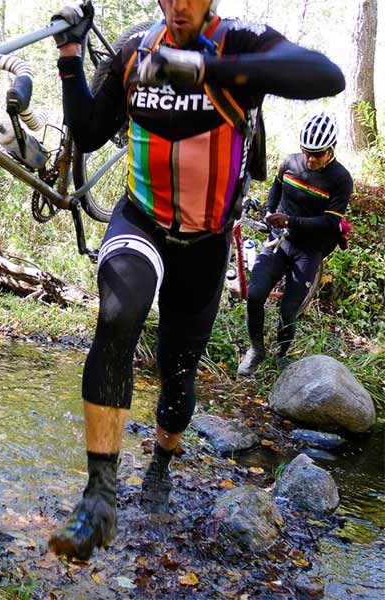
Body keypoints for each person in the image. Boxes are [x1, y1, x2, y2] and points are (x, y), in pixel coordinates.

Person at [47, 0, 345, 561]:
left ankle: (165, 449)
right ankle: (100, 495)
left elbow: (326, 76)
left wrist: (208, 71)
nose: (180, 3)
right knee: (117, 316)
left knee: (176, 381)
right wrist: (69, 57)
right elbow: (87, 132)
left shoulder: (241, 42)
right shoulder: (137, 52)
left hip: (205, 244)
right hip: (140, 218)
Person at [237, 112, 353, 375]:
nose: (310, 159)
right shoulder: (290, 163)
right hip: (279, 241)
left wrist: (289, 220)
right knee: (254, 295)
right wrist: (269, 211)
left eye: (318, 154)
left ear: (331, 149)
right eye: (306, 152)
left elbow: (328, 222)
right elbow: (276, 189)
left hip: (309, 250)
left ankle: (282, 354)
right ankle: (256, 350)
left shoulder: (340, 179)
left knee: (288, 310)